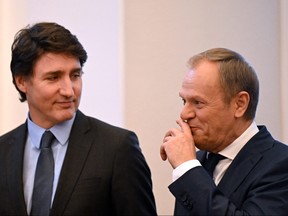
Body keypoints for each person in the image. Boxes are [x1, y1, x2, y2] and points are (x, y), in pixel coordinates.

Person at [0, 22, 157, 216]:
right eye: (53, 77)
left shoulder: (118, 148)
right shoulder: (3, 151)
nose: (69, 90)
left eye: (75, 75)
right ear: (22, 81)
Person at [160, 48, 288, 215]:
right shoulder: (197, 160)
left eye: (198, 102)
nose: (184, 114)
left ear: (240, 104)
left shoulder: (280, 164)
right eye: (184, 101)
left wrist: (187, 169)